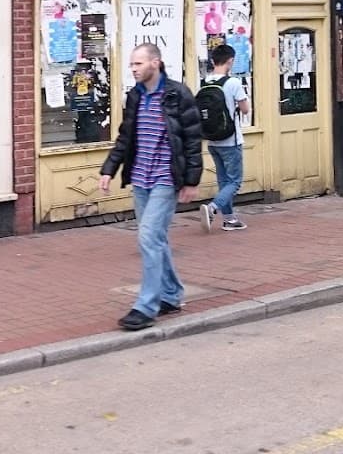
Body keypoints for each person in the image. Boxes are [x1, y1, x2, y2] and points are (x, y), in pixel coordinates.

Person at [100, 44, 204, 332]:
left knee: (147, 237)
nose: (133, 69)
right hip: (140, 176)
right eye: (131, 64)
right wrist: (109, 169)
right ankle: (171, 294)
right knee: (155, 238)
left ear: (155, 63)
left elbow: (193, 139)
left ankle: (146, 306)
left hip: (165, 178)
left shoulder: (177, 94)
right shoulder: (135, 96)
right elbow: (125, 136)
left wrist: (192, 180)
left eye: (138, 63)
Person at [202, 44, 251, 232]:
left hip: (213, 140)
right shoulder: (233, 83)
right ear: (230, 61)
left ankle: (229, 219)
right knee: (235, 181)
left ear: (213, 61)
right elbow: (245, 109)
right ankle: (213, 208)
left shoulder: (205, 82)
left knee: (224, 181)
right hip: (231, 140)